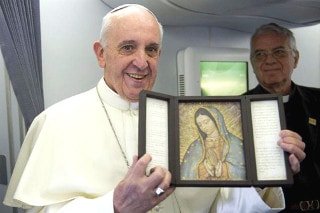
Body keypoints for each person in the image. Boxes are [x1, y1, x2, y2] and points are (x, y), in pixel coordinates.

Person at [3, 5, 305, 212]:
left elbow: (223, 204)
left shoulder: (186, 117)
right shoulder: (56, 122)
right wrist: (114, 206)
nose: (141, 61)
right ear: (101, 54)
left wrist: (263, 172)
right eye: (127, 47)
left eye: (151, 49)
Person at [244, 22, 320, 212]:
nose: (269, 61)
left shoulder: (318, 100)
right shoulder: (238, 109)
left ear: (295, 58)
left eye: (279, 52)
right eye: (260, 54)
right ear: (253, 63)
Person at [181, 106, 245, 181]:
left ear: (216, 120)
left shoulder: (235, 143)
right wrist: (204, 167)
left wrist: (223, 168)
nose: (203, 127)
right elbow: (187, 171)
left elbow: (244, 169)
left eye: (206, 122)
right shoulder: (195, 146)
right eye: (200, 125)